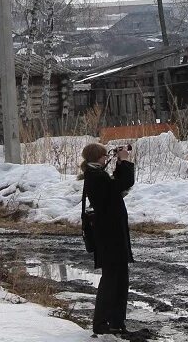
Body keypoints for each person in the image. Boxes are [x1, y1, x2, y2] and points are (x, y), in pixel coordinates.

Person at [81, 143, 135, 335]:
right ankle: (103, 323)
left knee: (119, 279)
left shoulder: (96, 174)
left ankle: (115, 322)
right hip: (110, 235)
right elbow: (124, 183)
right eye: (104, 156)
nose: (106, 158)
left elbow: (116, 186)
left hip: (111, 234)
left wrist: (120, 162)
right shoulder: (96, 177)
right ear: (97, 157)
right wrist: (124, 161)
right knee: (112, 279)